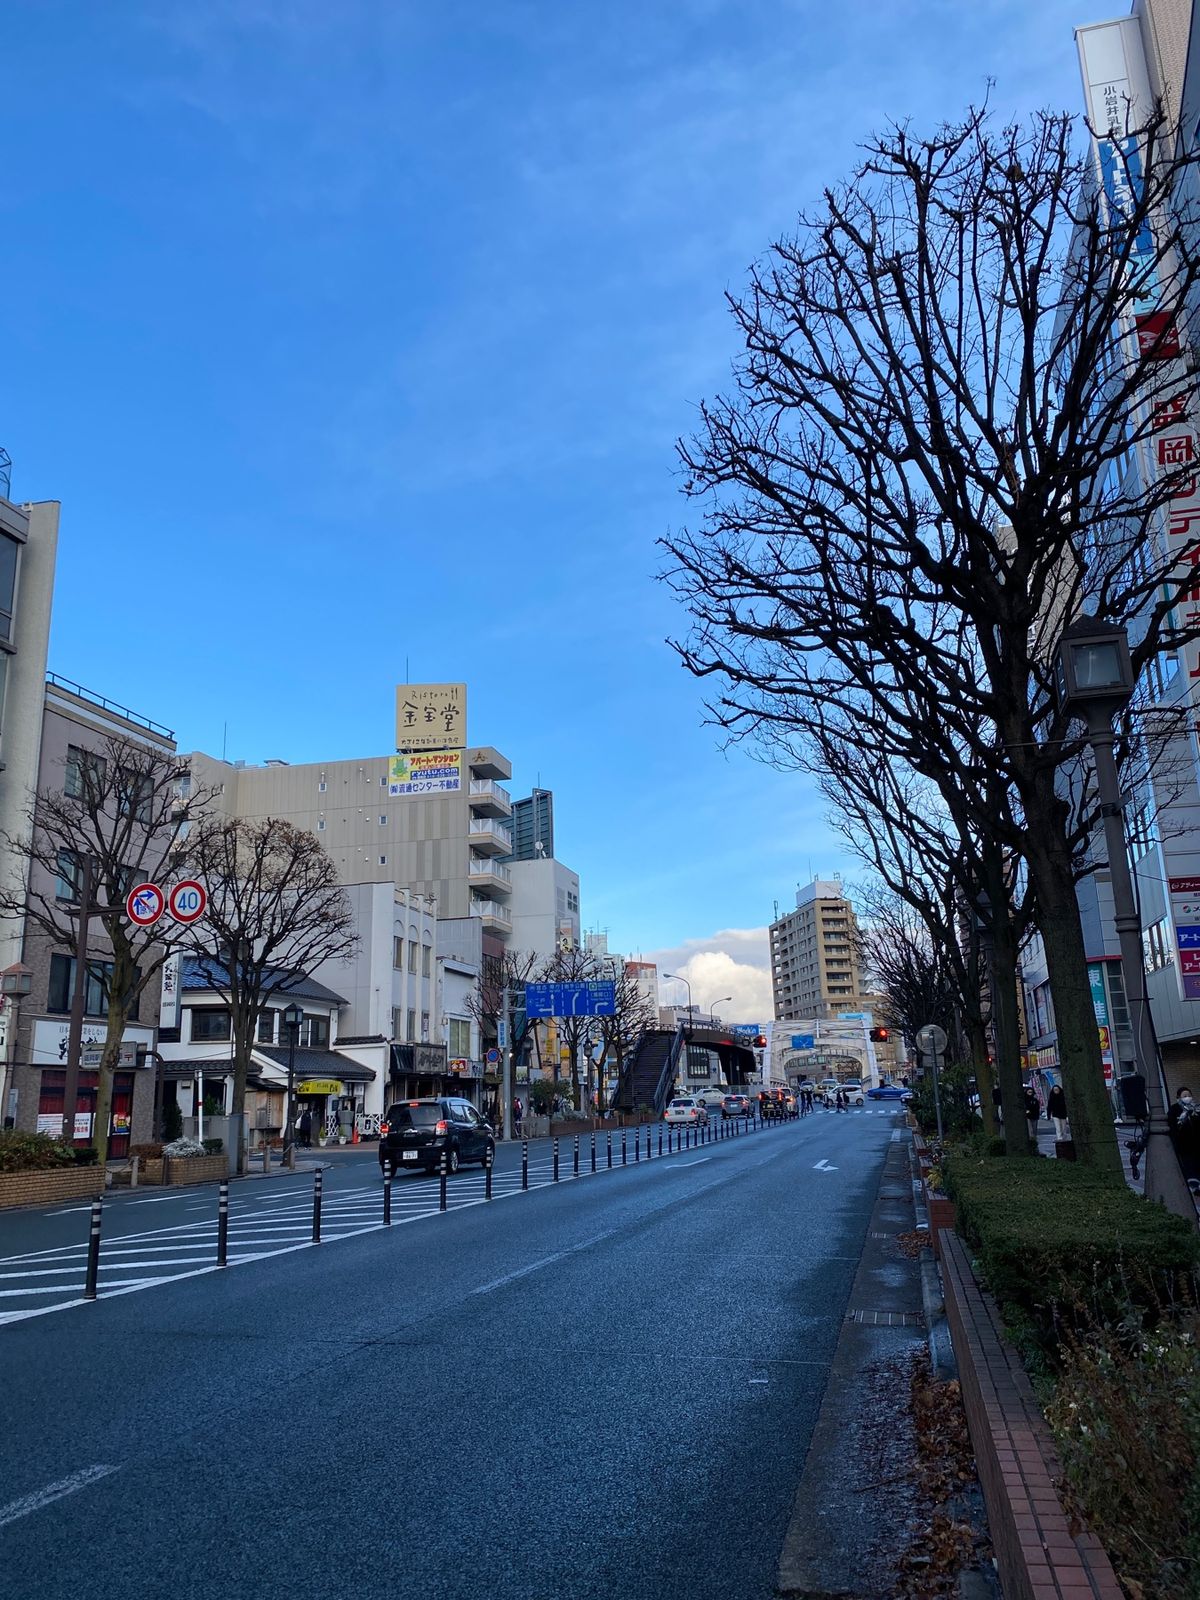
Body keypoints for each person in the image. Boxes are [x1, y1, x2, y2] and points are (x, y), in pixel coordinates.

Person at [1168, 1086, 1200, 1190]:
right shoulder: (1174, 1109)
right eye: (1185, 1096)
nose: (1187, 1097)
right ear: (1178, 1098)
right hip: (1183, 1143)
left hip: (1196, 1142)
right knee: (1188, 1164)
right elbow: (1172, 1125)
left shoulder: (1196, 1108)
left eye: (1189, 1095)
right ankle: (1194, 1186)